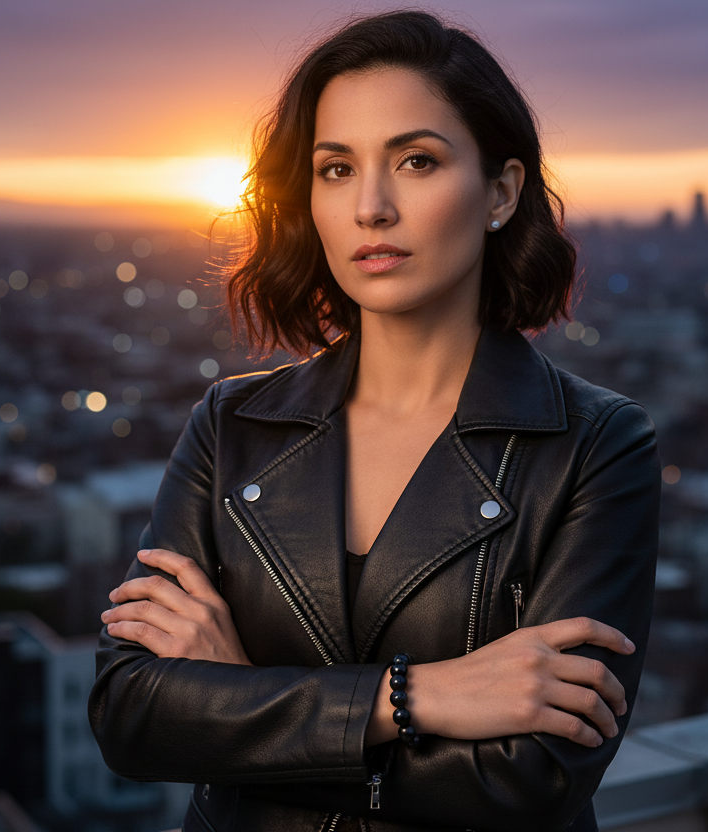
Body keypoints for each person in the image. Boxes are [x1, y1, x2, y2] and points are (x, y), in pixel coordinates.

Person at [88, 10, 661, 832]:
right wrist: (414, 696)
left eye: (416, 161)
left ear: (501, 192)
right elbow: (131, 714)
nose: (371, 207)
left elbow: (531, 779)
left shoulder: (595, 446)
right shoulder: (232, 424)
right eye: (336, 169)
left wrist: (236, 698)